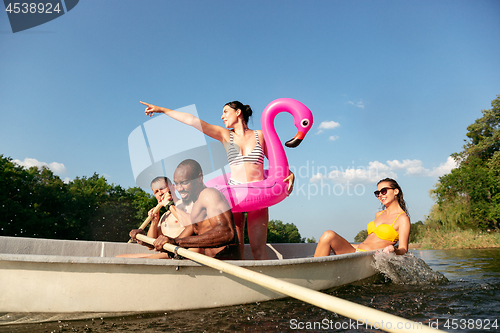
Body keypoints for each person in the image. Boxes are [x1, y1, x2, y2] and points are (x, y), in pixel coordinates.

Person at [141, 100, 294, 260]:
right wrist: (162, 109)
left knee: (258, 250)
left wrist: (290, 175)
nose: (222, 116)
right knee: (237, 251)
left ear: (238, 112)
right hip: (235, 198)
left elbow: (278, 164)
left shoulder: (260, 135)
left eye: (225, 112)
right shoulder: (225, 135)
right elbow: (193, 121)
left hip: (259, 197)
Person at [130, 159, 242, 260]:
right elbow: (173, 243)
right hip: (213, 266)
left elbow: (227, 233)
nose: (179, 189)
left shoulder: (209, 195)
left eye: (184, 182)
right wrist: (144, 240)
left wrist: (176, 242)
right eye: (177, 183)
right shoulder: (196, 206)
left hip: (227, 265)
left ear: (200, 178)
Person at [314, 178, 410, 257]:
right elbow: (368, 243)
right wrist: (340, 244)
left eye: (383, 191)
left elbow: (403, 250)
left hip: (368, 257)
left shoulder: (402, 218)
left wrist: (393, 250)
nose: (380, 195)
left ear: (395, 191)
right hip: (357, 252)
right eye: (377, 193)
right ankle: (313, 271)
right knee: (328, 236)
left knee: (329, 234)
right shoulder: (379, 214)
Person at [117, 176, 200, 259]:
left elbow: (193, 224)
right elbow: (150, 246)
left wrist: (168, 204)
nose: (160, 193)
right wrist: (154, 221)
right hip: (167, 253)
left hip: (182, 252)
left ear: (173, 188)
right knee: (119, 257)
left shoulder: (188, 203)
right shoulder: (164, 215)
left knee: (139, 261)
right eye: (156, 192)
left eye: (163, 188)